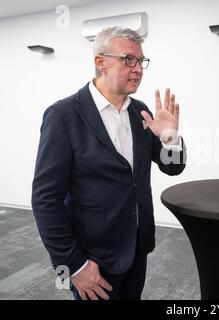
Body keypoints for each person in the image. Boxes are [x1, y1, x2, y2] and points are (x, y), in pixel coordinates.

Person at [31, 26, 186, 300]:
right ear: (100, 62)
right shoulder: (63, 116)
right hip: (92, 261)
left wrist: (170, 139)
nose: (137, 69)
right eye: (128, 60)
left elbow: (172, 167)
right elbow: (45, 200)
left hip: (138, 248)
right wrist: (73, 267)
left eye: (141, 61)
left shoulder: (141, 112)